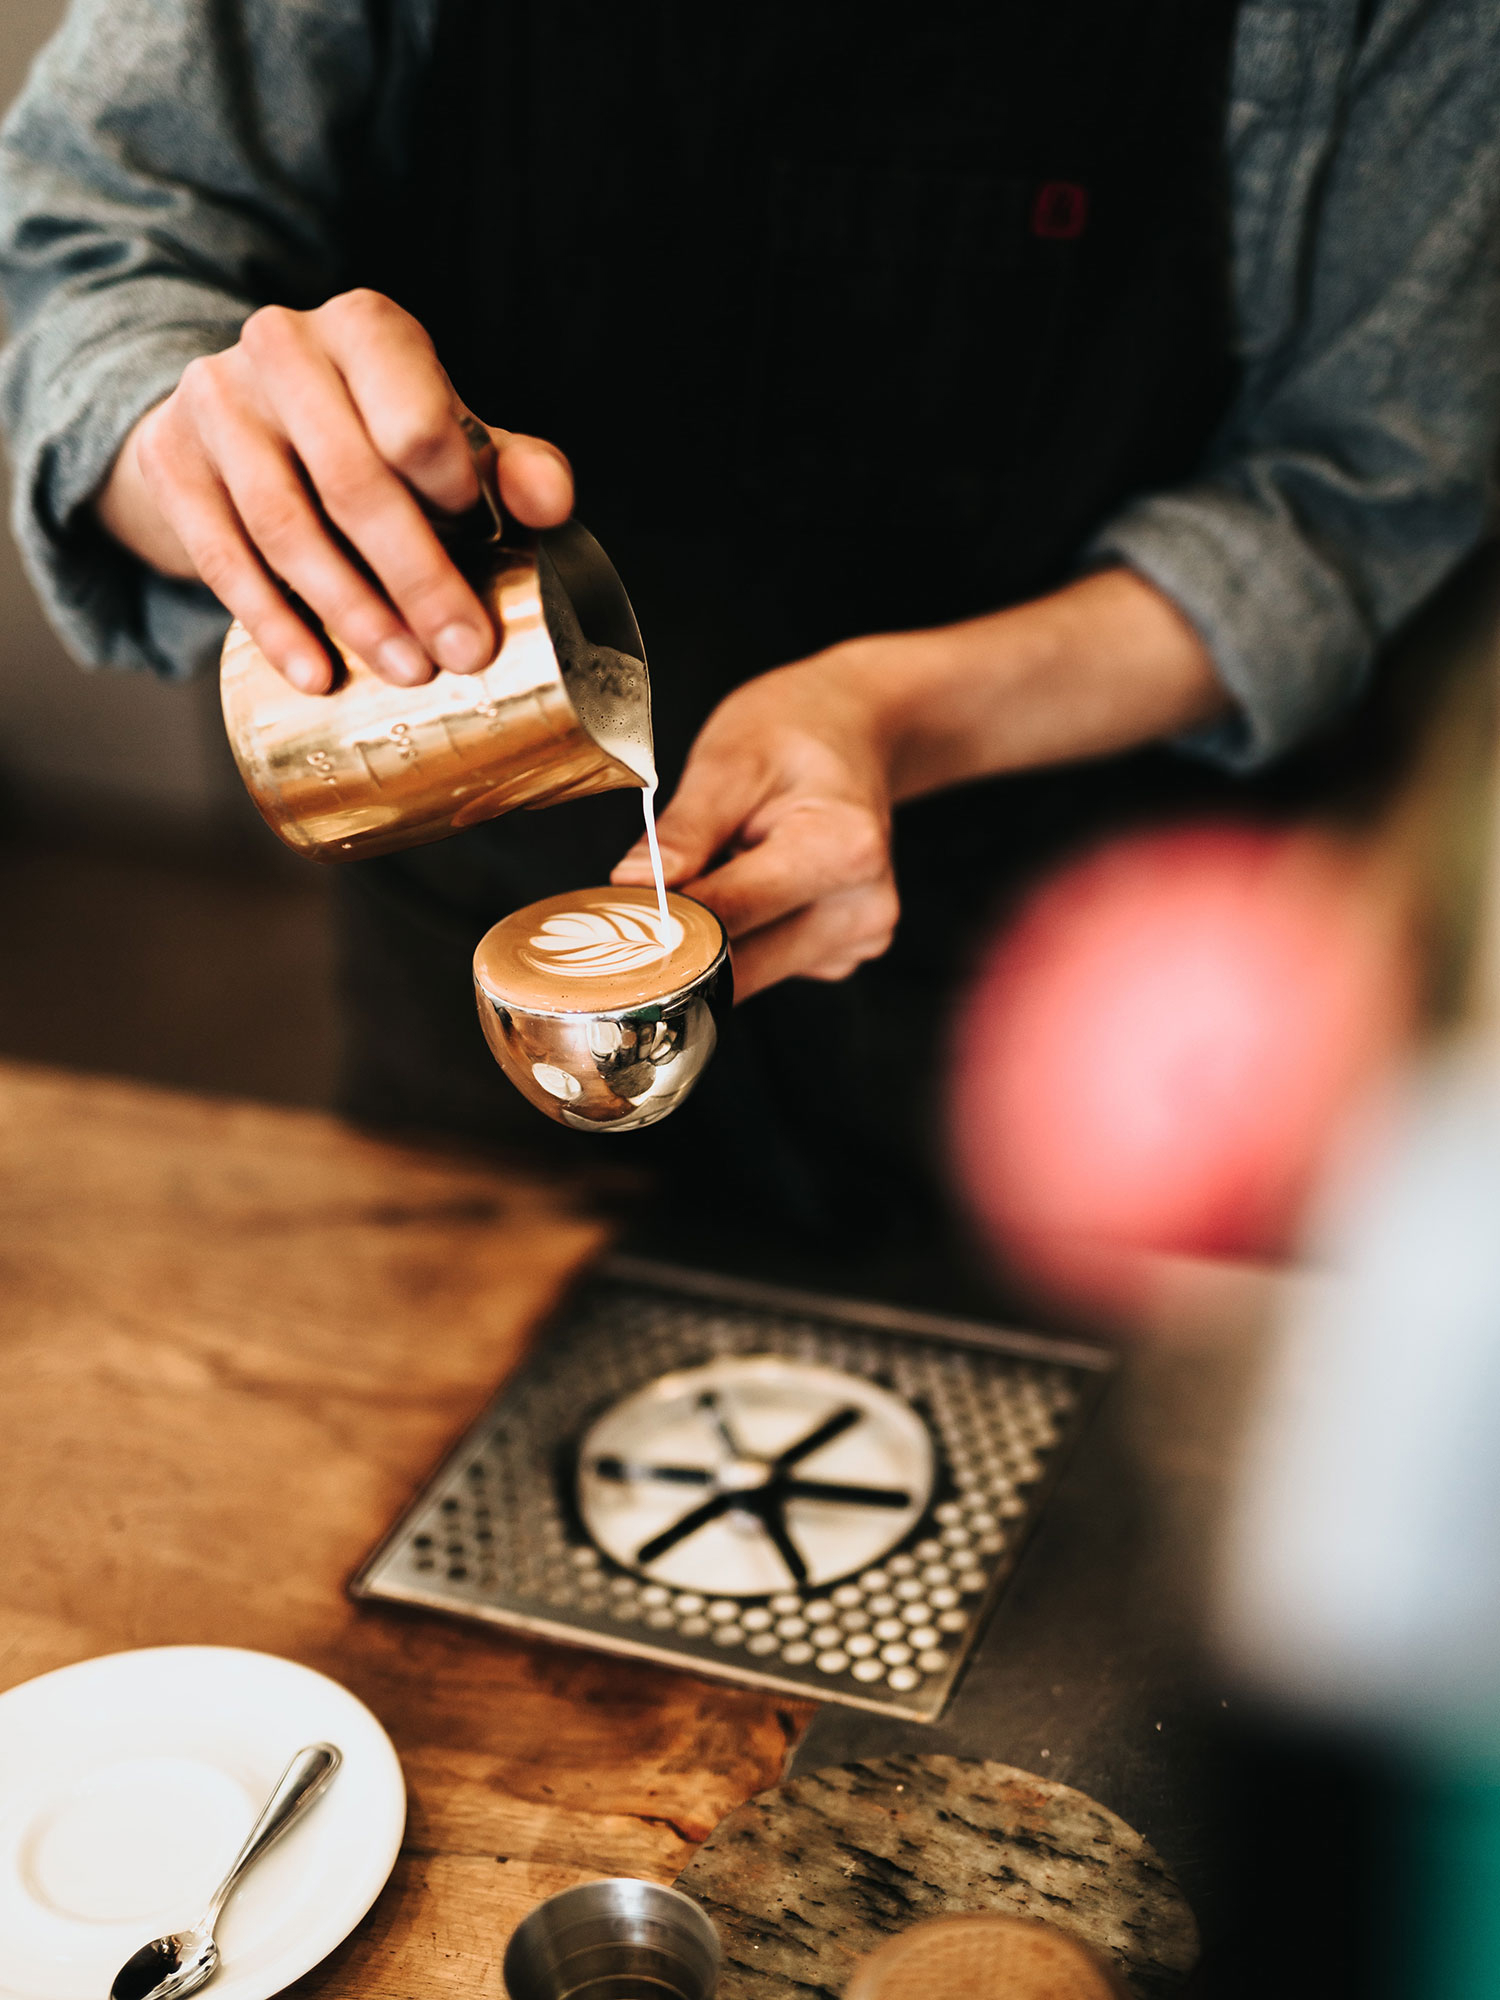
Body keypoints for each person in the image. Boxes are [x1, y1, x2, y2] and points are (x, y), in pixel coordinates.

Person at [1, 2, 1497, 1273]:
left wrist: (902, 710)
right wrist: (194, 444)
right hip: (488, 924)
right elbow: (87, 248)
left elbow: (1356, 496)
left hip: (1113, 1016)